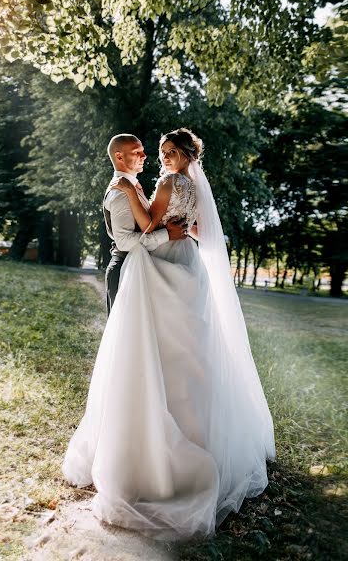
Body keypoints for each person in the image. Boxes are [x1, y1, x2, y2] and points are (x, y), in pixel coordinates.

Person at [63, 128, 276, 541]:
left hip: (161, 266)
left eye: (163, 151)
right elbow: (153, 232)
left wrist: (157, 220)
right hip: (178, 265)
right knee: (184, 348)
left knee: (157, 349)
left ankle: (159, 433)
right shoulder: (175, 185)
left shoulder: (161, 183)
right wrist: (170, 227)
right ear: (122, 158)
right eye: (150, 151)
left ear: (181, 154)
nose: (155, 156)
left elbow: (149, 227)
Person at [103, 133, 188, 315]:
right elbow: (124, 241)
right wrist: (167, 234)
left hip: (138, 268)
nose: (144, 156)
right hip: (124, 271)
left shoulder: (132, 188)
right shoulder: (120, 193)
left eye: (143, 151)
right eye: (137, 152)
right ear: (119, 156)